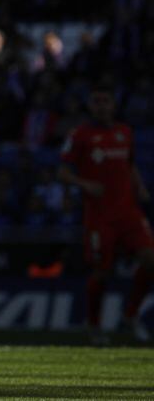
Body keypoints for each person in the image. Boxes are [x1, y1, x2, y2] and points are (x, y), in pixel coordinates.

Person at [60, 83, 153, 345]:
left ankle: (130, 316)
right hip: (100, 216)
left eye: (106, 101)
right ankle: (94, 325)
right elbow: (63, 172)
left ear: (114, 105)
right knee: (102, 271)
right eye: (97, 101)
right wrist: (85, 184)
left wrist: (140, 188)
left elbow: (130, 164)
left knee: (150, 260)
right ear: (90, 105)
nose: (102, 106)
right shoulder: (80, 135)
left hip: (129, 212)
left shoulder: (125, 132)